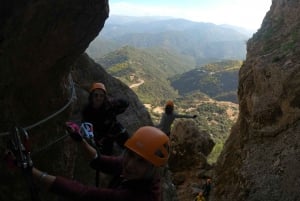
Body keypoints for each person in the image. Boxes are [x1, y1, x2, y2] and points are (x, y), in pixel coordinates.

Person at [7, 126, 170, 201]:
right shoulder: (139, 174)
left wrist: (31, 170)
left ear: (152, 168)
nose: (130, 164)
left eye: (141, 161)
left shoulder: (141, 197)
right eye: (130, 155)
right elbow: (99, 161)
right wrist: (81, 141)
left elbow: (83, 193)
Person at [81, 82, 130, 155]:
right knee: (106, 156)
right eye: (96, 95)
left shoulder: (109, 106)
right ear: (91, 96)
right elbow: (87, 127)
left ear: (104, 97)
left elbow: (125, 103)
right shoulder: (87, 111)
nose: (98, 98)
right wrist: (96, 139)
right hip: (103, 136)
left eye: (101, 96)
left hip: (114, 129)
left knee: (129, 147)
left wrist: (113, 101)